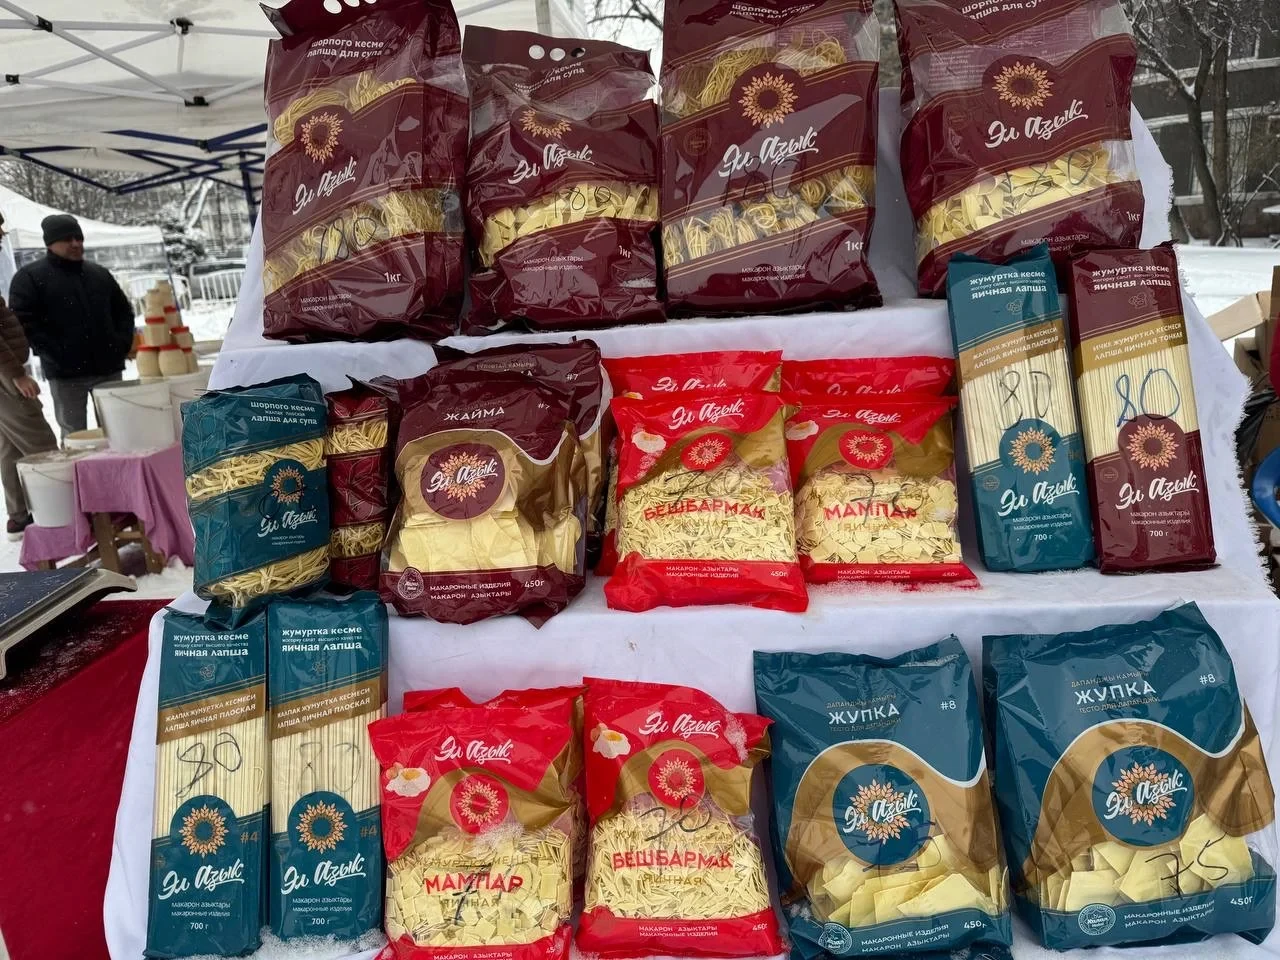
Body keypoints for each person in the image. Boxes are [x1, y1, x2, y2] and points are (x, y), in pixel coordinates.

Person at [9, 214, 137, 438]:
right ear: (50, 243)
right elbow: (24, 323)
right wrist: (56, 353)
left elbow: (123, 312)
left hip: (108, 368)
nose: (76, 244)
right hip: (65, 375)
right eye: (67, 239)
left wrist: (120, 344)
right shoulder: (30, 278)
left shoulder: (98, 274)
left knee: (118, 431)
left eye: (79, 238)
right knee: (74, 435)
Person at [0, 212, 59, 540]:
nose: (2, 234)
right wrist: (16, 375)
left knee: (9, 448)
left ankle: (19, 516)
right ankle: (61, 515)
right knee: (42, 445)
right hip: (4, 377)